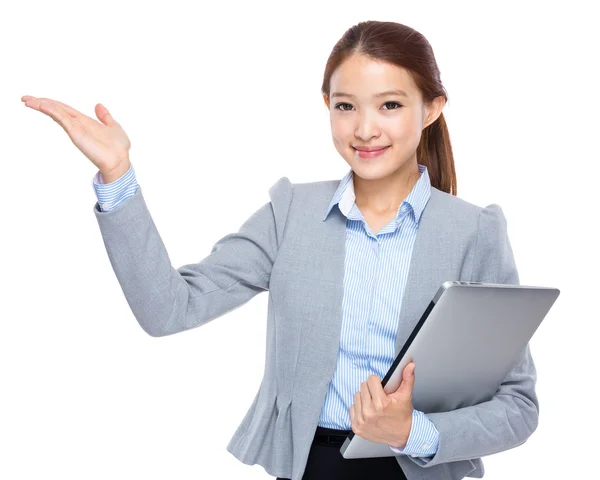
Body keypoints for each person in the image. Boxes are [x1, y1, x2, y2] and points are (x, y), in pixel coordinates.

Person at [21, 19, 538, 480]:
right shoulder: (291, 213)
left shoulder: (475, 231)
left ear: (431, 110)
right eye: (345, 106)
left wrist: (413, 432)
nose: (364, 129)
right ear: (327, 108)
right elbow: (167, 308)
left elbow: (517, 406)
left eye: (391, 105)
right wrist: (118, 175)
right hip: (307, 466)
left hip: (415, 470)